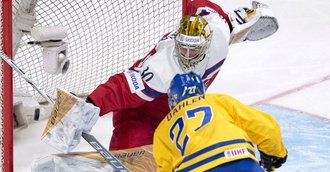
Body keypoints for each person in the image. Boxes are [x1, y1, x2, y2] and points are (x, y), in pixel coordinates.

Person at [86, 0, 279, 150]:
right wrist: (91, 105)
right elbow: (121, 88)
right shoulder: (163, 66)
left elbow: (199, 5)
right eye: (183, 47)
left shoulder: (218, 31)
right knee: (128, 162)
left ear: (206, 43)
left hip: (181, 115)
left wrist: (250, 19)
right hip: (142, 112)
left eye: (193, 49)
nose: (186, 54)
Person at [153, 72, 288, 172]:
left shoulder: (162, 129)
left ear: (172, 99)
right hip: (241, 160)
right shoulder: (218, 101)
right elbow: (266, 126)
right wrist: (275, 154)